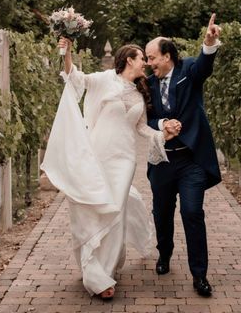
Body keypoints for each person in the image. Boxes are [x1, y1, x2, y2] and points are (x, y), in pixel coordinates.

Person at [41, 38, 181, 300]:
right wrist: (67, 52)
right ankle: (95, 271)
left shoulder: (141, 92)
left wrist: (163, 135)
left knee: (117, 209)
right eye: (143, 59)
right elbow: (75, 78)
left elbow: (141, 128)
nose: (146, 63)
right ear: (129, 60)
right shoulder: (104, 79)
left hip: (125, 158)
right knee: (97, 206)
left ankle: (103, 271)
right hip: (99, 154)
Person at [145, 13, 222, 297]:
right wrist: (162, 124)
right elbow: (144, 119)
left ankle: (199, 275)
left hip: (191, 160)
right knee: (162, 214)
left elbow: (205, 65)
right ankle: (164, 253)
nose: (148, 63)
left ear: (168, 56)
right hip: (162, 161)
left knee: (192, 213)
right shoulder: (148, 84)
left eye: (152, 57)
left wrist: (209, 42)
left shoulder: (188, 70)